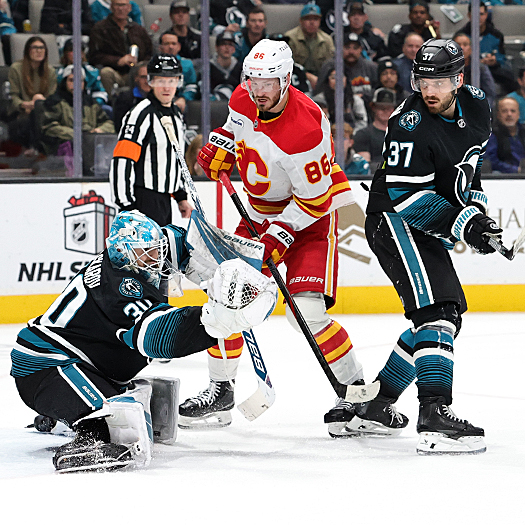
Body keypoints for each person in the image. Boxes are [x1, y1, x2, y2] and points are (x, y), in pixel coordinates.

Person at [183, 39, 407, 437]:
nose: (258, 90)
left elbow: (315, 199)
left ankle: (357, 395)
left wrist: (279, 235)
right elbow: (236, 131)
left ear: (286, 79)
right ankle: (221, 391)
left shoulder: (306, 127)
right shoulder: (243, 97)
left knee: (306, 313)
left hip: (309, 221)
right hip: (257, 214)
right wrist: (220, 147)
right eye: (253, 81)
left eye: (268, 82)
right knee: (224, 298)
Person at [11, 210, 277, 472]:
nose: (156, 259)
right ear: (122, 254)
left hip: (87, 364)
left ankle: (60, 417)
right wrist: (217, 319)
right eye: (146, 253)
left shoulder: (138, 256)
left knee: (125, 407)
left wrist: (240, 259)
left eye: (155, 250)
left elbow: (185, 242)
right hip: (44, 366)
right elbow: (160, 337)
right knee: (107, 427)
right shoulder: (118, 288)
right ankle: (87, 439)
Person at [365, 38, 500, 455]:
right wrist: (465, 225)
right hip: (394, 220)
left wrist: (476, 213)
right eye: (423, 81)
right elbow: (408, 198)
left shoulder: (476, 104)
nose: (429, 90)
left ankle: (376, 406)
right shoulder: (408, 124)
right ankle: (434, 414)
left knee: (446, 317)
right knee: (437, 313)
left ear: (458, 80)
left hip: (418, 225)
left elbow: (469, 168)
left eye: (439, 81)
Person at [110, 54, 192, 227]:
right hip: (142, 201)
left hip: (165, 201)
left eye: (171, 81)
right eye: (160, 80)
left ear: (178, 82)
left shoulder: (176, 115)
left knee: (163, 244)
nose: (166, 87)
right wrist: (126, 207)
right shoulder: (140, 114)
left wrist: (180, 196)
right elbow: (122, 160)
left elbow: (173, 158)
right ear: (150, 81)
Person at [40, 65, 115, 155]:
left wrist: (97, 131)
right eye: (71, 80)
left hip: (91, 145)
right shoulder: (54, 102)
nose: (76, 84)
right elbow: (49, 127)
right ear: (64, 82)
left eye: (80, 80)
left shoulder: (91, 102)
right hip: (64, 147)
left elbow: (109, 123)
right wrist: (78, 135)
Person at [88, 0, 152, 97]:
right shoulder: (100, 28)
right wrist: (118, 61)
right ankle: (112, 101)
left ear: (129, 8)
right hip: (114, 72)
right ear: (111, 7)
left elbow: (149, 53)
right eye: (117, 5)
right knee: (106, 73)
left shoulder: (138, 29)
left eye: (123, 5)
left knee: (145, 73)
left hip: (136, 72)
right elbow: (94, 56)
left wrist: (140, 65)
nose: (120, 9)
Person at [454, 1, 515, 96]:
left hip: (492, 72)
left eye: (481, 14)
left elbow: (502, 59)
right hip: (467, 72)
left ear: (486, 15)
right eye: (475, 14)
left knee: (510, 78)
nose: (478, 17)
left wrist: (494, 61)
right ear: (469, 15)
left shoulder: (496, 35)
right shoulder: (460, 36)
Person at [7, 36, 57, 149]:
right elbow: (13, 95)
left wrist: (38, 104)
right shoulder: (16, 69)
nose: (39, 51)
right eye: (35, 47)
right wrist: (25, 105)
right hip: (22, 112)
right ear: (27, 50)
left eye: (42, 48)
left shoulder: (50, 71)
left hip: (43, 111)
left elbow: (52, 96)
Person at [315, 32, 377, 108]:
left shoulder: (370, 67)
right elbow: (319, 91)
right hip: (333, 107)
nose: (351, 52)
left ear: (361, 49)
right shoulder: (330, 66)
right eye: (347, 47)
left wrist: (364, 97)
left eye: (355, 48)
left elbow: (378, 91)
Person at [285, 2, 335, 91]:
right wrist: (307, 76)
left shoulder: (327, 40)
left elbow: (330, 66)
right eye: (308, 19)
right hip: (296, 80)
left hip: (321, 81)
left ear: (320, 21)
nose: (312, 23)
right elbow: (287, 66)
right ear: (301, 21)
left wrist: (321, 81)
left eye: (315, 19)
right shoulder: (290, 38)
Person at [56, 38, 110, 115]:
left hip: (89, 107)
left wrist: (91, 104)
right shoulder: (58, 73)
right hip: (64, 107)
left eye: (79, 50)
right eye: (71, 50)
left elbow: (101, 93)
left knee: (107, 109)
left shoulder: (92, 72)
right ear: (65, 53)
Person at [312, 67, 368, 132]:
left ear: (346, 79)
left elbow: (363, 122)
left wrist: (352, 133)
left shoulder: (355, 100)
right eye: (333, 78)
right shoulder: (319, 100)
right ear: (328, 81)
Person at [354, 87, 397, 167]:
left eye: (389, 108)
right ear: (373, 108)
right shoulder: (363, 134)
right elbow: (365, 166)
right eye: (381, 108)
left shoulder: (402, 134)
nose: (385, 111)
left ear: (394, 110)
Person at [158, 30, 198, 112]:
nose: (170, 47)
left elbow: (192, 86)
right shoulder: (153, 65)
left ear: (179, 46)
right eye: (166, 44)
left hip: (180, 103)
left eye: (173, 44)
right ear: (160, 47)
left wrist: (183, 98)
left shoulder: (187, 64)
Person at [453, 33, 496, 107]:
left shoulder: (480, 68)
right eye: (458, 45)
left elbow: (490, 93)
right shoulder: (445, 67)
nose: (461, 48)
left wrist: (482, 109)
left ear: (471, 49)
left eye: (465, 45)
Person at [486, 97, 525, 174]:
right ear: (498, 114)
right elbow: (491, 161)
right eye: (504, 111)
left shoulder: (523, 132)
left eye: (513, 111)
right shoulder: (492, 134)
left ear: (518, 114)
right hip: (503, 176)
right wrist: (516, 170)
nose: (509, 114)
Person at [112, 61, 151, 133]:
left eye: (150, 77)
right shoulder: (124, 99)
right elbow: (120, 127)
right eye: (143, 77)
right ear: (136, 78)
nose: (147, 81)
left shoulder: (162, 99)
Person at [208, 30, 243, 101]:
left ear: (234, 49)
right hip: (213, 105)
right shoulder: (208, 68)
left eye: (230, 44)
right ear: (216, 47)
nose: (227, 48)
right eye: (223, 44)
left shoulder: (240, 68)